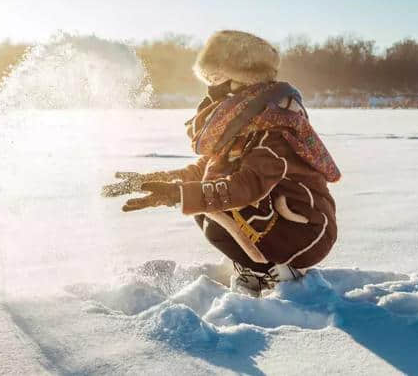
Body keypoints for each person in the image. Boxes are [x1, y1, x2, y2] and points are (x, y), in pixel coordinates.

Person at [103, 30, 340, 297]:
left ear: (243, 80)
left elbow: (245, 187)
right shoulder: (247, 121)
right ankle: (257, 264)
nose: (211, 88)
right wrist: (155, 182)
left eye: (216, 78)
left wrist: (177, 195)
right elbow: (203, 169)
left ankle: (276, 271)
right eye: (208, 79)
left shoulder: (274, 128)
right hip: (288, 220)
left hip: (308, 229)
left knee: (215, 210)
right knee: (203, 201)